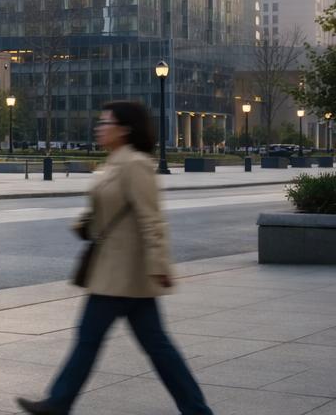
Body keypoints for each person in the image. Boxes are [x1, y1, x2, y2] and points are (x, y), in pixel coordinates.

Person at [17, 101, 212, 415]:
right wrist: (85, 222)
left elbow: (152, 220)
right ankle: (196, 410)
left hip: (123, 275)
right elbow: (109, 209)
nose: (99, 127)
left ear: (124, 130)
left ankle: (58, 403)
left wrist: (160, 266)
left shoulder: (135, 164)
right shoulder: (114, 163)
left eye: (106, 122)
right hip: (118, 274)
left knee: (91, 340)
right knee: (156, 348)